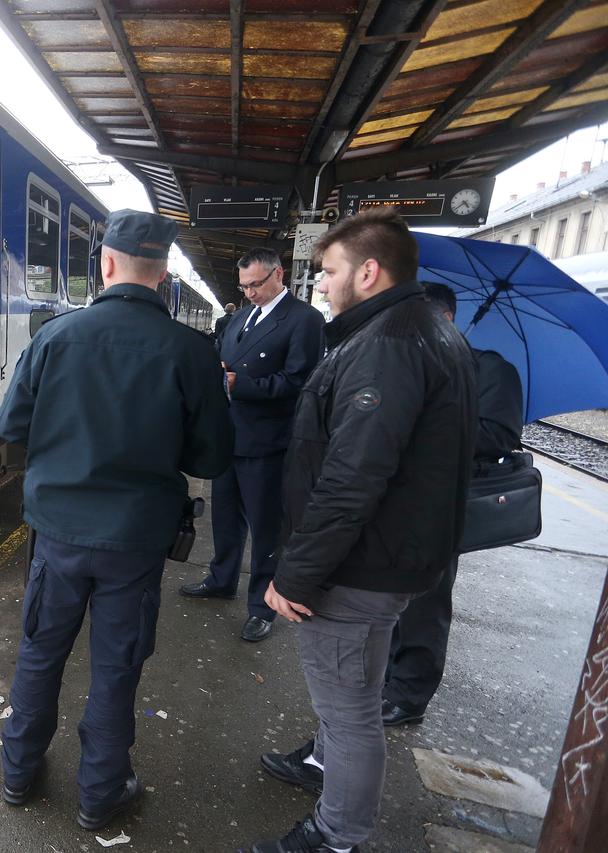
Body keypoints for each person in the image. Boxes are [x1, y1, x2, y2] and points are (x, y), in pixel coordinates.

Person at [0, 209, 233, 831]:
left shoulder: (55, 336)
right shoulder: (191, 351)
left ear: (105, 264)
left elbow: (11, 428)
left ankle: (18, 773)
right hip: (136, 539)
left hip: (59, 532)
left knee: (40, 651)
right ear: (162, 275)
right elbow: (212, 456)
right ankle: (101, 795)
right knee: (117, 665)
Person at [251, 208, 476, 853]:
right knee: (361, 690)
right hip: (394, 559)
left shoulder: (384, 347)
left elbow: (353, 478)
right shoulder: (425, 332)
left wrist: (296, 573)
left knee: (348, 713)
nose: (320, 284)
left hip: (358, 568)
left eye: (328, 271)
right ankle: (323, 770)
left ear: (368, 272)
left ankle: (336, 836)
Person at [381, 282, 523, 726]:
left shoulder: (490, 370)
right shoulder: (407, 367)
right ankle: (385, 678)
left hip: (442, 504)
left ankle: (409, 694)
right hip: (393, 498)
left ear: (444, 319)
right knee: (387, 593)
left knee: (426, 599)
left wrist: (427, 427)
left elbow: (498, 435)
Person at [179, 248, 324, 642]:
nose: (250, 293)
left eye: (256, 284)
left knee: (265, 528)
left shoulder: (304, 320)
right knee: (225, 518)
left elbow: (301, 383)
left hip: (269, 441)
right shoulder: (241, 317)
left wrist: (240, 385)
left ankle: (262, 606)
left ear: (279, 274)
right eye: (244, 287)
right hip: (229, 436)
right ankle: (221, 578)